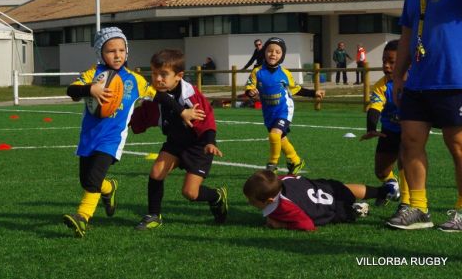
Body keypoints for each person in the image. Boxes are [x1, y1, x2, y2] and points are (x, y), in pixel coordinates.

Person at [62, 27, 203, 238]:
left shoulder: (135, 79)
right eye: (111, 51)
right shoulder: (93, 73)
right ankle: (109, 189)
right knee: (88, 180)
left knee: (92, 179)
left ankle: (82, 217)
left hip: (112, 139)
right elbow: (71, 90)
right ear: (100, 52)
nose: (117, 55)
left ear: (127, 51)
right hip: (89, 136)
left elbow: (161, 97)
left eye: (121, 50)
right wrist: (90, 89)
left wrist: (182, 111)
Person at [388, 0, 462, 231]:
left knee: (457, 144)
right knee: (410, 140)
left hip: (454, 78)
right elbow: (406, 35)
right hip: (419, 80)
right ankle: (418, 207)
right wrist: (398, 75)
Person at [130, 49, 228, 229]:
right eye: (154, 73)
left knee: (190, 193)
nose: (157, 78)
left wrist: (209, 141)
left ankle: (216, 196)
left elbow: (207, 120)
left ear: (179, 76)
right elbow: (139, 117)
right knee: (156, 172)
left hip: (198, 146)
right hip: (175, 143)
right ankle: (153, 215)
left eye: (163, 74)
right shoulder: (153, 97)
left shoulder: (191, 95)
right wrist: (123, 120)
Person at [244, 37, 325, 174]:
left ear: (282, 56)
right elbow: (249, 88)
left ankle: (272, 165)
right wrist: (251, 92)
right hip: (268, 111)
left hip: (284, 109)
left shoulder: (285, 73)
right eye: (270, 51)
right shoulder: (257, 71)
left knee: (275, 135)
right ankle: (296, 161)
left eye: (277, 52)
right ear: (264, 52)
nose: (273, 54)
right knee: (280, 138)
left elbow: (296, 89)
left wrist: (314, 93)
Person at [243, 169, 399, 231]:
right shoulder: (281, 180)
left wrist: (281, 224)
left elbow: (308, 225)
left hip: (332, 209)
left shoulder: (284, 207)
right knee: (344, 189)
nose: (250, 203)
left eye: (252, 201)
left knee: (345, 211)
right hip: (325, 188)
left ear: (269, 200)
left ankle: (357, 209)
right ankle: (384, 191)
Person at [360, 40, 408, 210]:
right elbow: (374, 108)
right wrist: (372, 129)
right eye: (384, 61)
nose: (386, 66)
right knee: (381, 172)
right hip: (389, 131)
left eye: (391, 62)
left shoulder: (414, 82)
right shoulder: (381, 85)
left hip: (410, 131)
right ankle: (392, 185)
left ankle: (407, 203)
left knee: (405, 158)